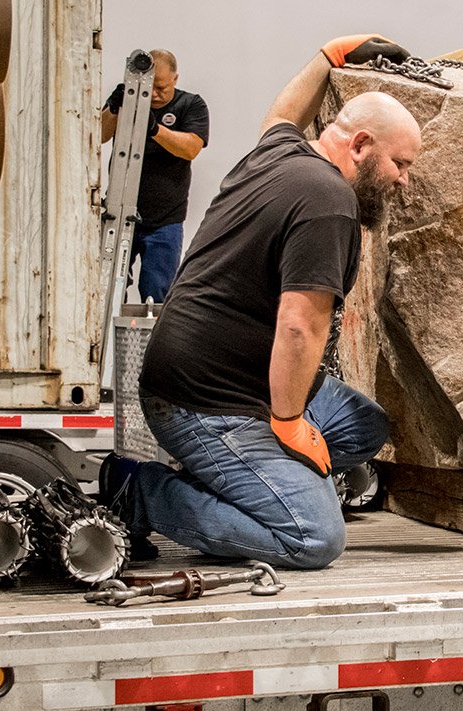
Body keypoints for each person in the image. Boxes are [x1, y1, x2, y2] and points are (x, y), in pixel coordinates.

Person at [113, 36, 420, 568]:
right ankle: (139, 492)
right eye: (400, 163)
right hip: (203, 402)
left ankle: (238, 477)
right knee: (315, 538)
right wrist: (288, 421)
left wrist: (331, 54)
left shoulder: (281, 154)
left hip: (226, 374)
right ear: (362, 145)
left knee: (363, 426)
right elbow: (300, 326)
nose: (404, 180)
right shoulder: (331, 203)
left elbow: (283, 113)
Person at [101, 48, 209, 303]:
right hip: (118, 214)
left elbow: (191, 148)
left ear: (175, 79)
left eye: (162, 87)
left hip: (164, 221)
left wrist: (154, 129)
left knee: (157, 292)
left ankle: (152, 342)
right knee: (108, 290)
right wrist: (115, 109)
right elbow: (100, 134)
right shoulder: (129, 96)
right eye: (153, 87)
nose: (157, 95)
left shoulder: (190, 104)